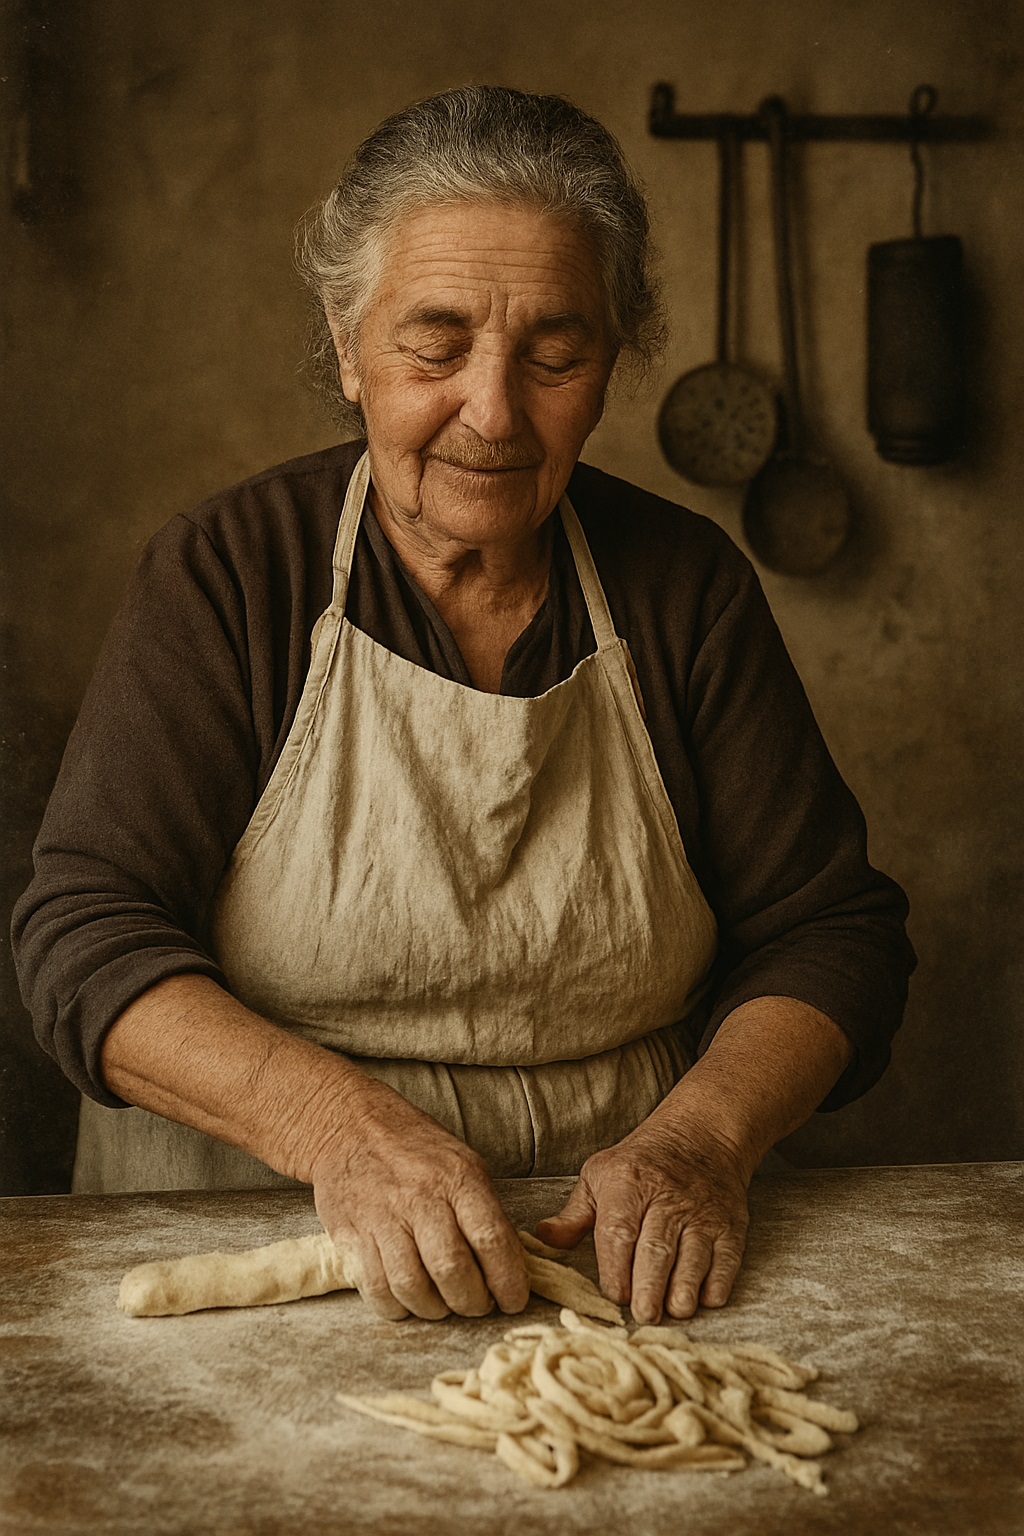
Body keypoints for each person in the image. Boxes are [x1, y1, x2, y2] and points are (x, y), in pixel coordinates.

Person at [13, 86, 913, 1327]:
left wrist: (699, 1143)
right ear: (347, 344)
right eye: (435, 346)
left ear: (608, 362)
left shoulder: (683, 585)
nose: (492, 413)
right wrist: (340, 1129)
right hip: (258, 1237)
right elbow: (82, 934)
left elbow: (832, 934)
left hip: (613, 1251)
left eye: (554, 355)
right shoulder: (230, 575)